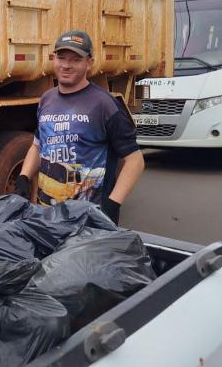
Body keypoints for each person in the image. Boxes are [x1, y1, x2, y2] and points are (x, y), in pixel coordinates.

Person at [15, 30, 144, 225]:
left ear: (89, 63)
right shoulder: (46, 99)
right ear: (53, 59)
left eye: (75, 60)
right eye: (61, 58)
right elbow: (37, 145)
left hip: (89, 219)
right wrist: (24, 177)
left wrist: (112, 205)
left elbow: (135, 161)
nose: (66, 65)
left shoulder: (104, 104)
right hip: (47, 215)